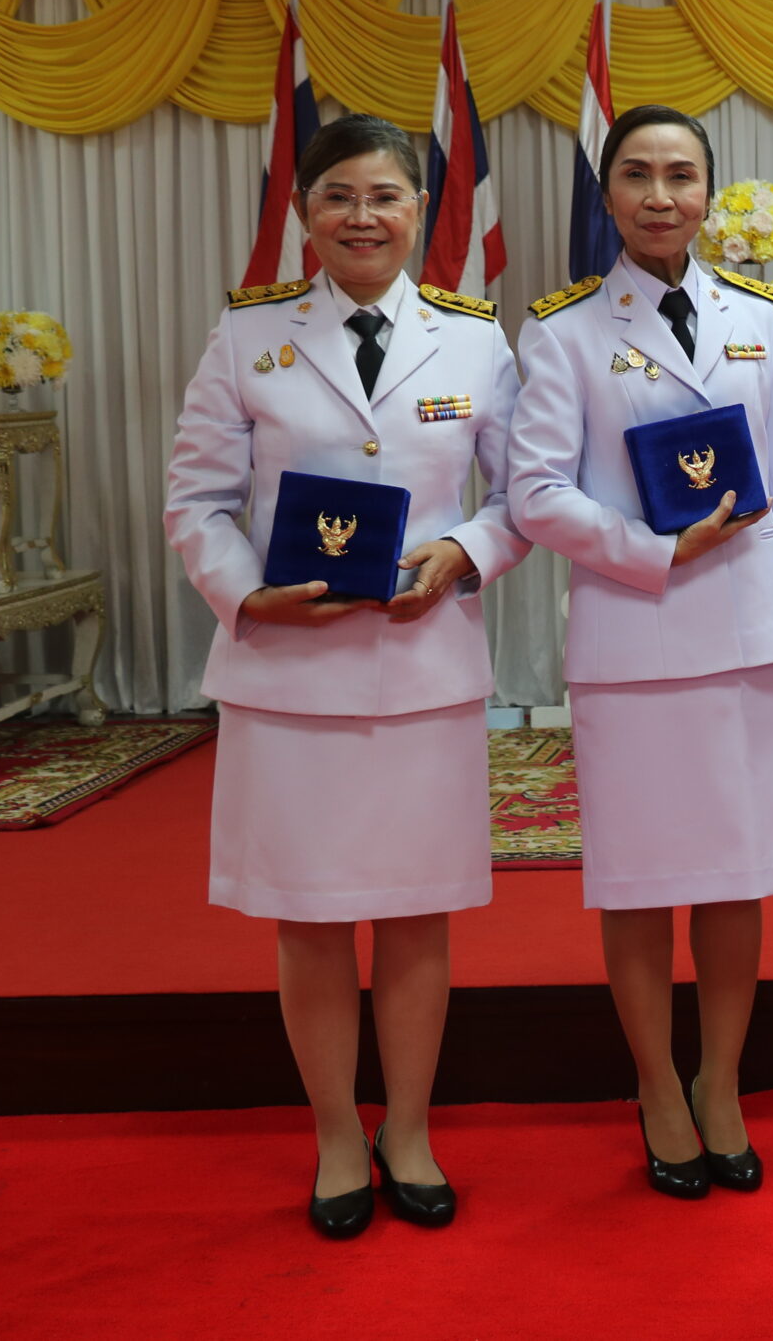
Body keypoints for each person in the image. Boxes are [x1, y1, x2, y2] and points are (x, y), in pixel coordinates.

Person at [165, 113, 530, 1238]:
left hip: (423, 670)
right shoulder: (249, 338)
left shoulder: (474, 340)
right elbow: (195, 501)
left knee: (417, 916)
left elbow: (524, 496)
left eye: (385, 196)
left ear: (419, 210)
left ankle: (407, 1129)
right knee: (312, 918)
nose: (362, 217)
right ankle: (335, 1134)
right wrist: (246, 592)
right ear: (304, 213)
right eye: (338, 197)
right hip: (290, 678)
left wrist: (462, 551)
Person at [506, 104, 773, 1200]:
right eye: (637, 175)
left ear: (708, 194)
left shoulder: (760, 321)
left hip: (744, 636)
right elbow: (534, 493)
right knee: (640, 883)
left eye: (680, 175)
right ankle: (656, 1087)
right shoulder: (562, 333)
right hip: (633, 638)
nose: (659, 196)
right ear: (608, 196)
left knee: (738, 879)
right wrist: (652, 548)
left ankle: (720, 1082)